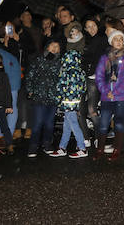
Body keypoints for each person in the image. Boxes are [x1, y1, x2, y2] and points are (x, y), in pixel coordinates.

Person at [95, 29, 124, 161]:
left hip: (121, 96)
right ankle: (100, 149)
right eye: (116, 39)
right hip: (107, 95)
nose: (119, 41)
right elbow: (99, 76)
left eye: (121, 39)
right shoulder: (104, 58)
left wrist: (116, 92)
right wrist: (106, 91)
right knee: (103, 122)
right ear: (111, 41)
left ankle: (117, 149)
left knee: (119, 121)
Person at [53, 29, 88, 158]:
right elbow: (83, 88)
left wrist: (58, 99)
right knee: (67, 125)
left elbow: (61, 87)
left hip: (67, 101)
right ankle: (62, 147)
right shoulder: (80, 71)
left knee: (73, 124)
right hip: (75, 101)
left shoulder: (67, 72)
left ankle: (82, 148)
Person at [24, 39, 61, 158]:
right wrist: (30, 90)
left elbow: (61, 79)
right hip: (39, 97)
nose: (55, 48)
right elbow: (29, 76)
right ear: (47, 47)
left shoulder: (60, 63)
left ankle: (47, 144)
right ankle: (33, 145)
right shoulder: (38, 60)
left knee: (49, 123)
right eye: (52, 46)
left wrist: (60, 94)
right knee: (38, 122)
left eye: (57, 47)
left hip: (53, 97)